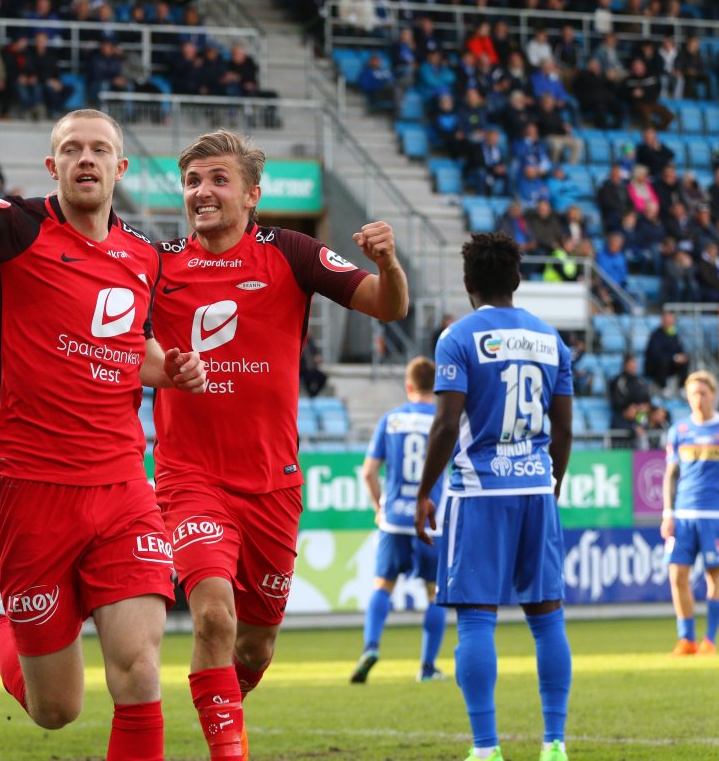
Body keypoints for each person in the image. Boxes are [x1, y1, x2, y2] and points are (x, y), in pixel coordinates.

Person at [0, 13, 206, 757]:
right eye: (72, 150)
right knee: (56, 709)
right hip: (33, 490)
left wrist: (175, 368)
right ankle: (1, 625)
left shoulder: (142, 258)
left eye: (99, 149)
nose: (86, 159)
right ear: (52, 165)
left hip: (125, 484)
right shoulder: (15, 232)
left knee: (139, 666)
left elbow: (136, 351)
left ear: (120, 169)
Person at [150, 130, 407, 759]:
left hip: (273, 484)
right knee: (212, 615)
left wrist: (390, 263)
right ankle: (228, 752)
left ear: (251, 196)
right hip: (190, 479)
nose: (202, 193)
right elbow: (118, 345)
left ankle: (223, 710)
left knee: (256, 645)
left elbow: (387, 307)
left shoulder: (290, 253)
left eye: (217, 180)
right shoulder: (155, 266)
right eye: (192, 182)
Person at [414, 232, 574, 761]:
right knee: (548, 617)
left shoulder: (457, 337)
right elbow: (565, 428)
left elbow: (444, 425)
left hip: (479, 490)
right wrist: (553, 482)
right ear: (518, 280)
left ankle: (486, 748)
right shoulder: (552, 339)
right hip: (535, 486)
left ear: (467, 284)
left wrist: (422, 492)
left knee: (477, 617)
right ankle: (554, 744)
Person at [353, 356, 446, 686]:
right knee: (434, 593)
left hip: (393, 520)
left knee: (383, 586)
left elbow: (368, 472)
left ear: (408, 386)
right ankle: (427, 667)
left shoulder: (390, 420)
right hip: (432, 520)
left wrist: (380, 506)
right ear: (435, 387)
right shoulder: (443, 419)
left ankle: (371, 647)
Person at [662, 370, 719, 656]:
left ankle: (710, 639)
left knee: (715, 577)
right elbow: (671, 473)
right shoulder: (679, 431)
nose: (698, 399)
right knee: (677, 576)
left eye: (703, 393)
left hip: (715, 515)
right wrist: (667, 512)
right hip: (683, 514)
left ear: (713, 394)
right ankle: (686, 639)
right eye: (693, 393)